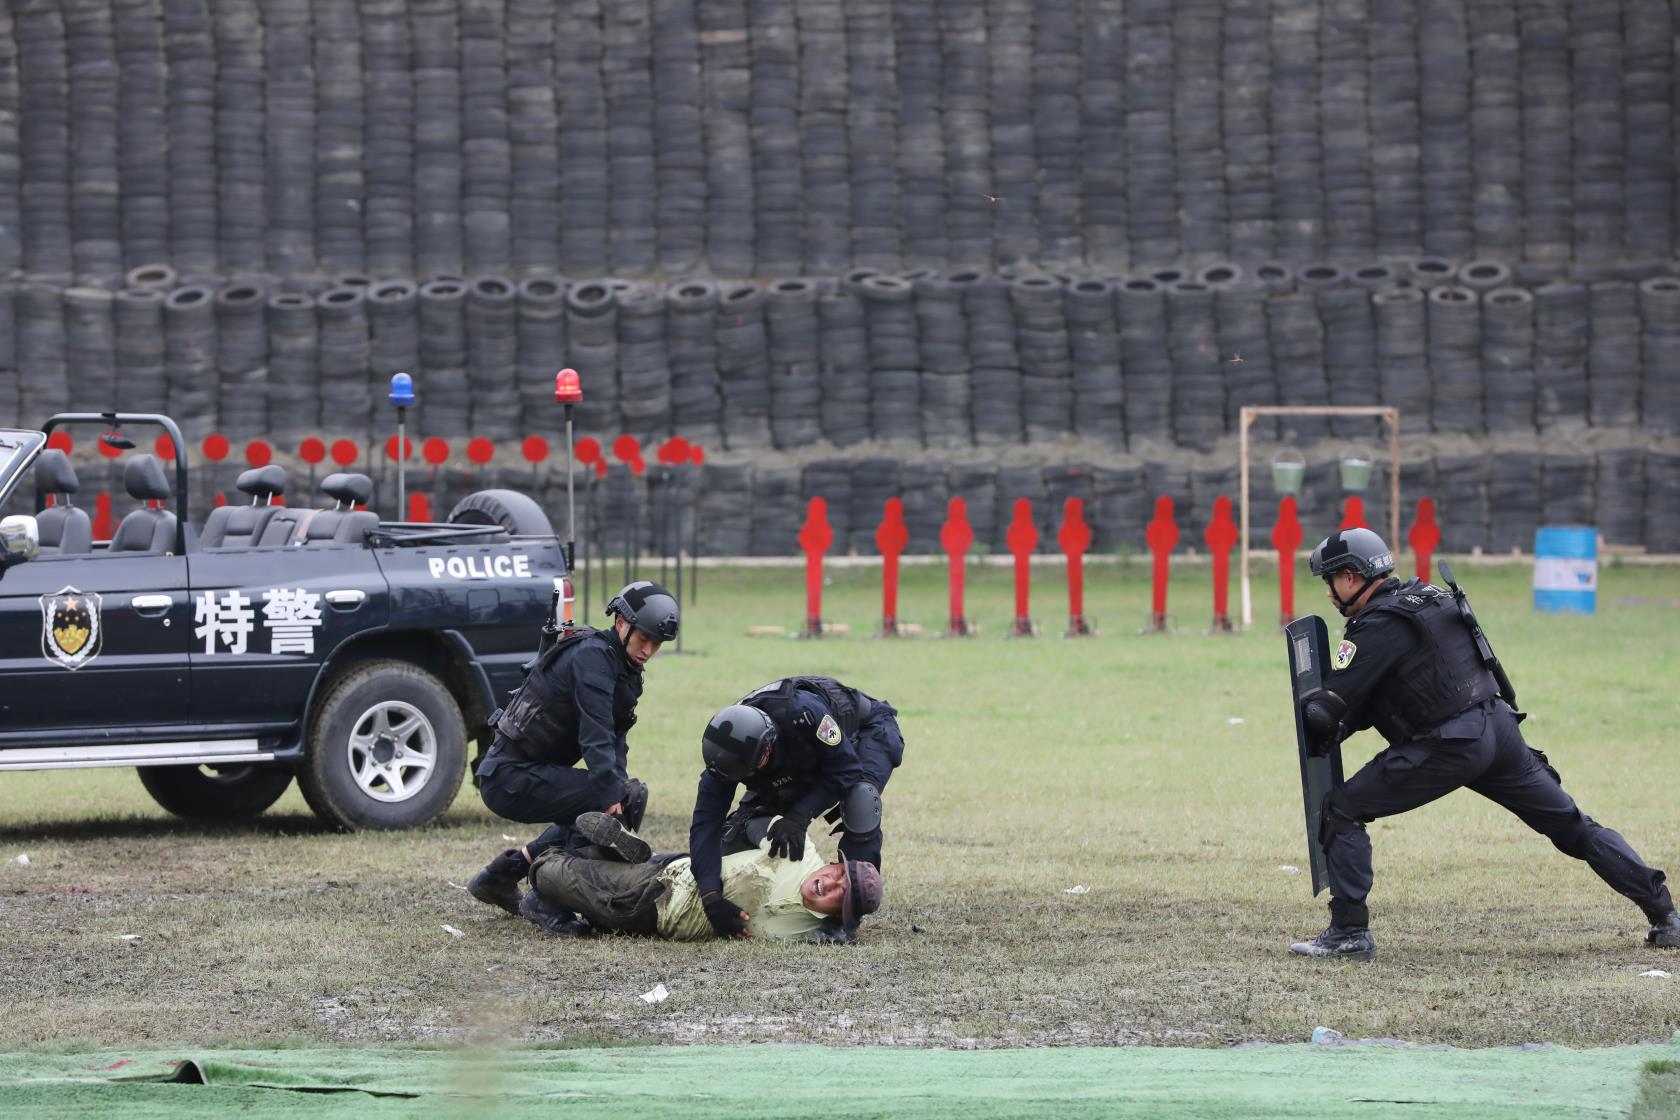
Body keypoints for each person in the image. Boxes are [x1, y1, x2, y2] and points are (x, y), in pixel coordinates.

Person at [1290, 526, 1679, 959]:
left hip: (1450, 744)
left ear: (1351, 576)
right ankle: (1665, 915)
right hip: (1499, 729)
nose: (1328, 591)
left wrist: (1316, 721)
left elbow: (1329, 708)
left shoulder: (1377, 626)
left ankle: (1348, 933)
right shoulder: (1434, 597)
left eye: (1329, 579)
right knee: (1573, 826)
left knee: (1342, 808)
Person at [466, 580, 680, 915]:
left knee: (621, 799)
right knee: (607, 800)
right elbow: (594, 738)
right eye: (644, 638)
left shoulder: (624, 669)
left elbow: (614, 741)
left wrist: (618, 804)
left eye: (657, 643)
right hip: (508, 777)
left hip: (533, 772)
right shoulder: (591, 659)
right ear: (621, 623)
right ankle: (548, 901)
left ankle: (502, 874)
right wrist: (611, 801)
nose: (648, 650)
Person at [688, 676, 903, 940]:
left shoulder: (803, 713)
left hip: (863, 732)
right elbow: (704, 828)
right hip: (798, 756)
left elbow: (845, 769)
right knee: (731, 838)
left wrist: (800, 816)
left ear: (768, 746)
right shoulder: (722, 761)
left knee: (861, 800)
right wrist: (710, 897)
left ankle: (845, 917)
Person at [521, 811, 883, 943]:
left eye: (840, 893)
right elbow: (751, 823)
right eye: (838, 873)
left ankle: (592, 853)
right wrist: (773, 825)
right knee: (547, 873)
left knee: (592, 882)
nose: (830, 883)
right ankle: (550, 865)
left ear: (839, 913)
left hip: (656, 913)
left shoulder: (818, 932)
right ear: (834, 863)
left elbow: (848, 933)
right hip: (671, 880)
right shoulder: (799, 847)